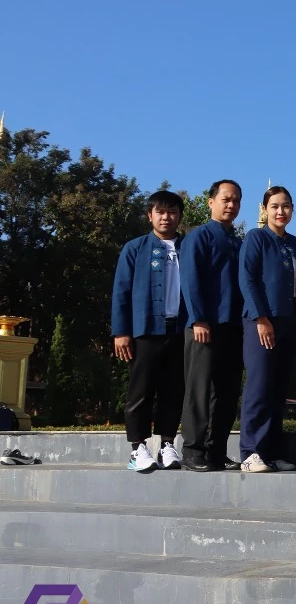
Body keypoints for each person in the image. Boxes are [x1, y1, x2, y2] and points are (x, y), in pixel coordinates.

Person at [111, 190, 187, 473]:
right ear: (150, 215)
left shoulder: (187, 247)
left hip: (179, 330)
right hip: (145, 330)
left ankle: (167, 444)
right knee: (141, 390)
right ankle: (137, 448)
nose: (166, 217)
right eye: (160, 212)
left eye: (172, 212)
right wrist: (121, 331)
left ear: (179, 216)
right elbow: (121, 291)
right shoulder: (135, 248)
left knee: (173, 390)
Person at [238, 186, 296, 473]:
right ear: (265, 209)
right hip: (262, 321)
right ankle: (251, 451)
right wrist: (261, 318)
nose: (281, 212)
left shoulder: (294, 243)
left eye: (286, 206)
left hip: (290, 322)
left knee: (279, 390)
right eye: (275, 206)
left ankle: (272, 451)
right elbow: (248, 279)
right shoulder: (256, 237)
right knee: (260, 386)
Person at [179, 180, 244, 472]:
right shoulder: (199, 237)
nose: (231, 205)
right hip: (204, 326)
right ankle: (193, 450)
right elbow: (190, 281)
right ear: (211, 202)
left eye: (236, 201)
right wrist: (198, 318)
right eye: (226, 199)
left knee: (227, 392)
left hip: (232, 327)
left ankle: (217, 449)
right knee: (199, 390)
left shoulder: (237, 242)